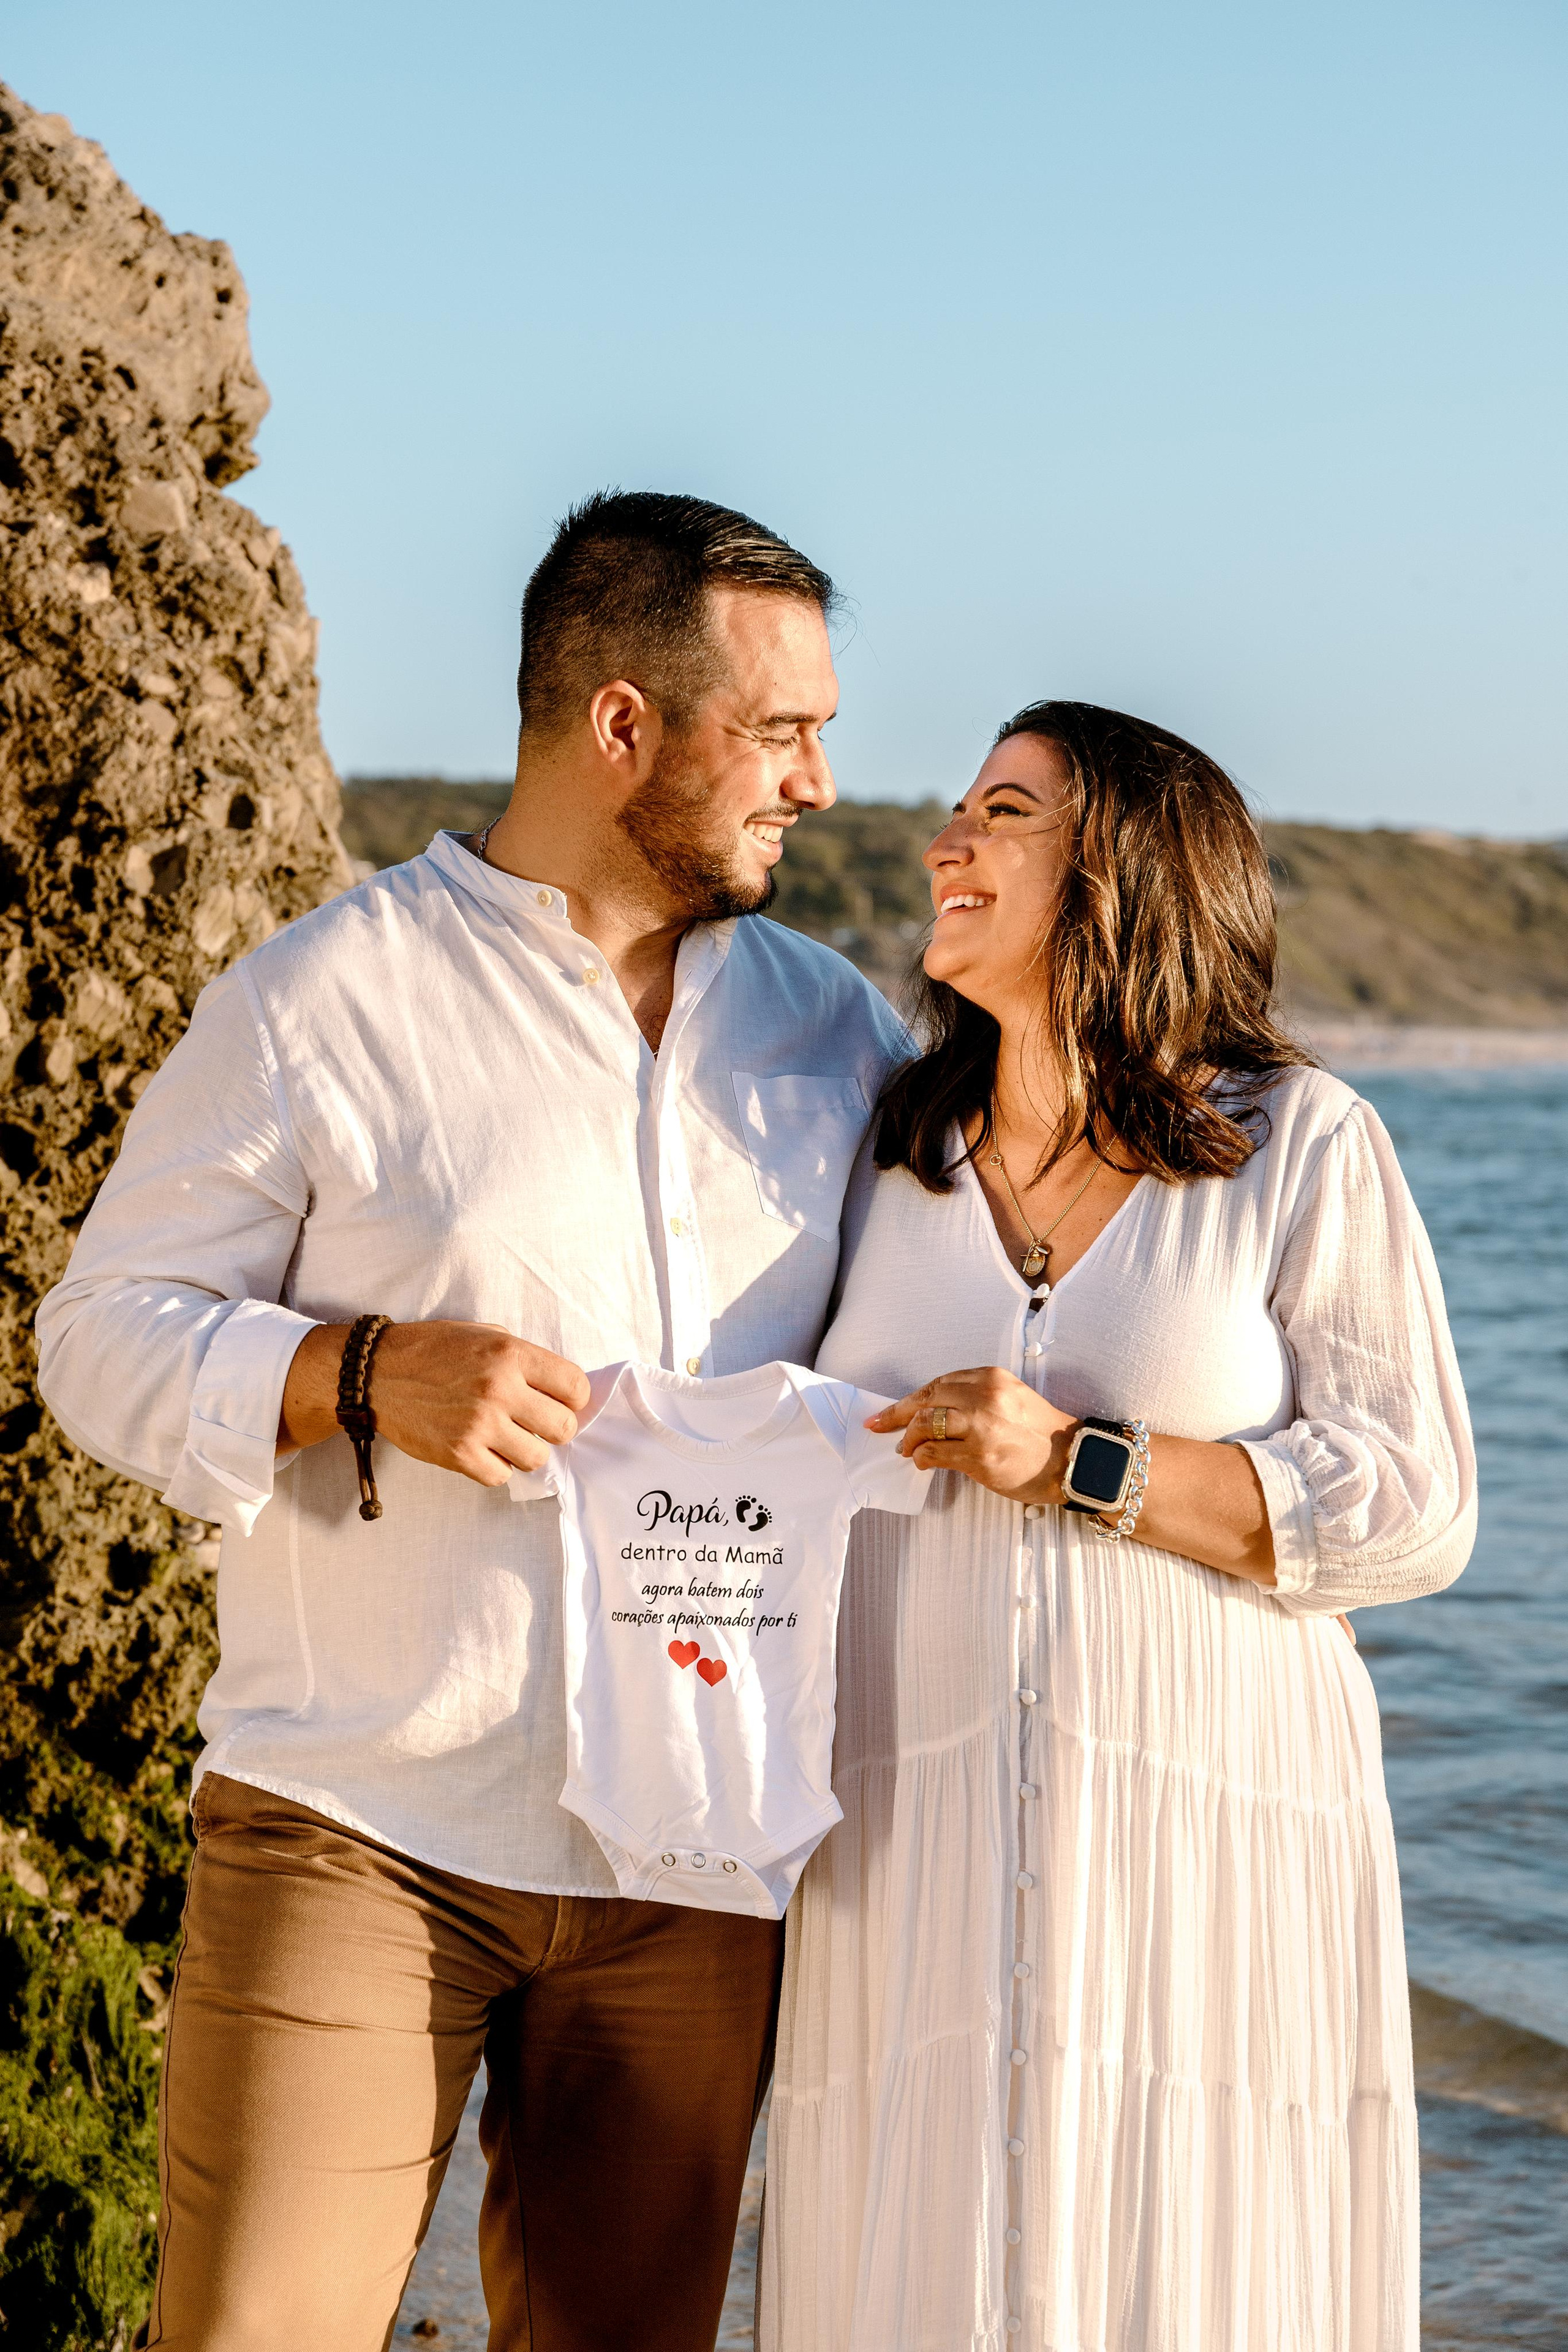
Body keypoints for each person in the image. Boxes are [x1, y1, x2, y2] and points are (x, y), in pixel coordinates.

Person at [36, 491, 910, 2352]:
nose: (819, 782)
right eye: (779, 731)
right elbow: (95, 1337)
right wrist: (356, 1374)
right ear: (620, 724)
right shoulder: (319, 1002)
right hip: (361, 1819)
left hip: (697, 1859)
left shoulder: (841, 1036)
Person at [761, 702, 1475, 2352]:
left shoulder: (1298, 1147)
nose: (943, 842)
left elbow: (1414, 1503)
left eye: (1001, 812)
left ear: (1125, 874)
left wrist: (1084, 1461)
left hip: (1203, 1830)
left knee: (1188, 2261)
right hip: (903, 1837)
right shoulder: (885, 1155)